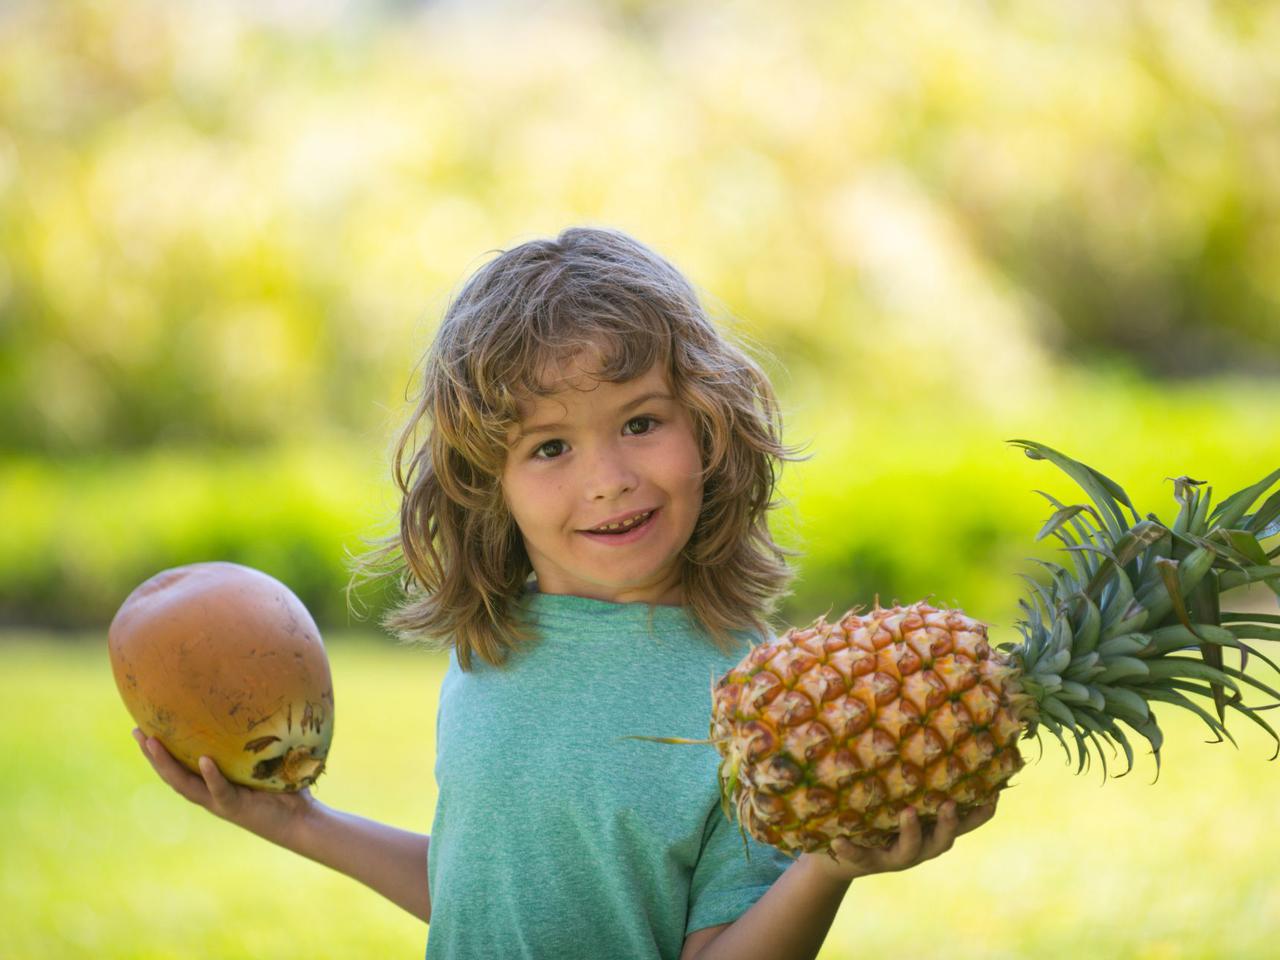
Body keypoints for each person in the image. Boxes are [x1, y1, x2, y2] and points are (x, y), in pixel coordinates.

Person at [133, 226, 995, 959]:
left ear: (710, 425)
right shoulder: (494, 648)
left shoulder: (757, 699)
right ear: (487, 482)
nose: (609, 480)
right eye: (550, 448)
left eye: (641, 423)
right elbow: (492, 895)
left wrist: (828, 866)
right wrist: (303, 825)